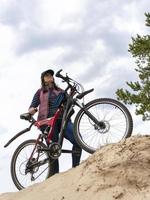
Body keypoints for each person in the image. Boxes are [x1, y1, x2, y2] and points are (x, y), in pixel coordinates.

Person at [28, 69, 82, 174]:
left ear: (53, 78)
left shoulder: (61, 91)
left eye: (50, 75)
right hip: (46, 122)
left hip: (63, 120)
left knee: (78, 140)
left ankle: (76, 169)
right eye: (46, 75)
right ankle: (54, 177)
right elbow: (32, 106)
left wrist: (71, 96)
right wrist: (31, 111)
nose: (49, 77)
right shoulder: (40, 92)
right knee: (53, 150)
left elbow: (70, 103)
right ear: (43, 79)